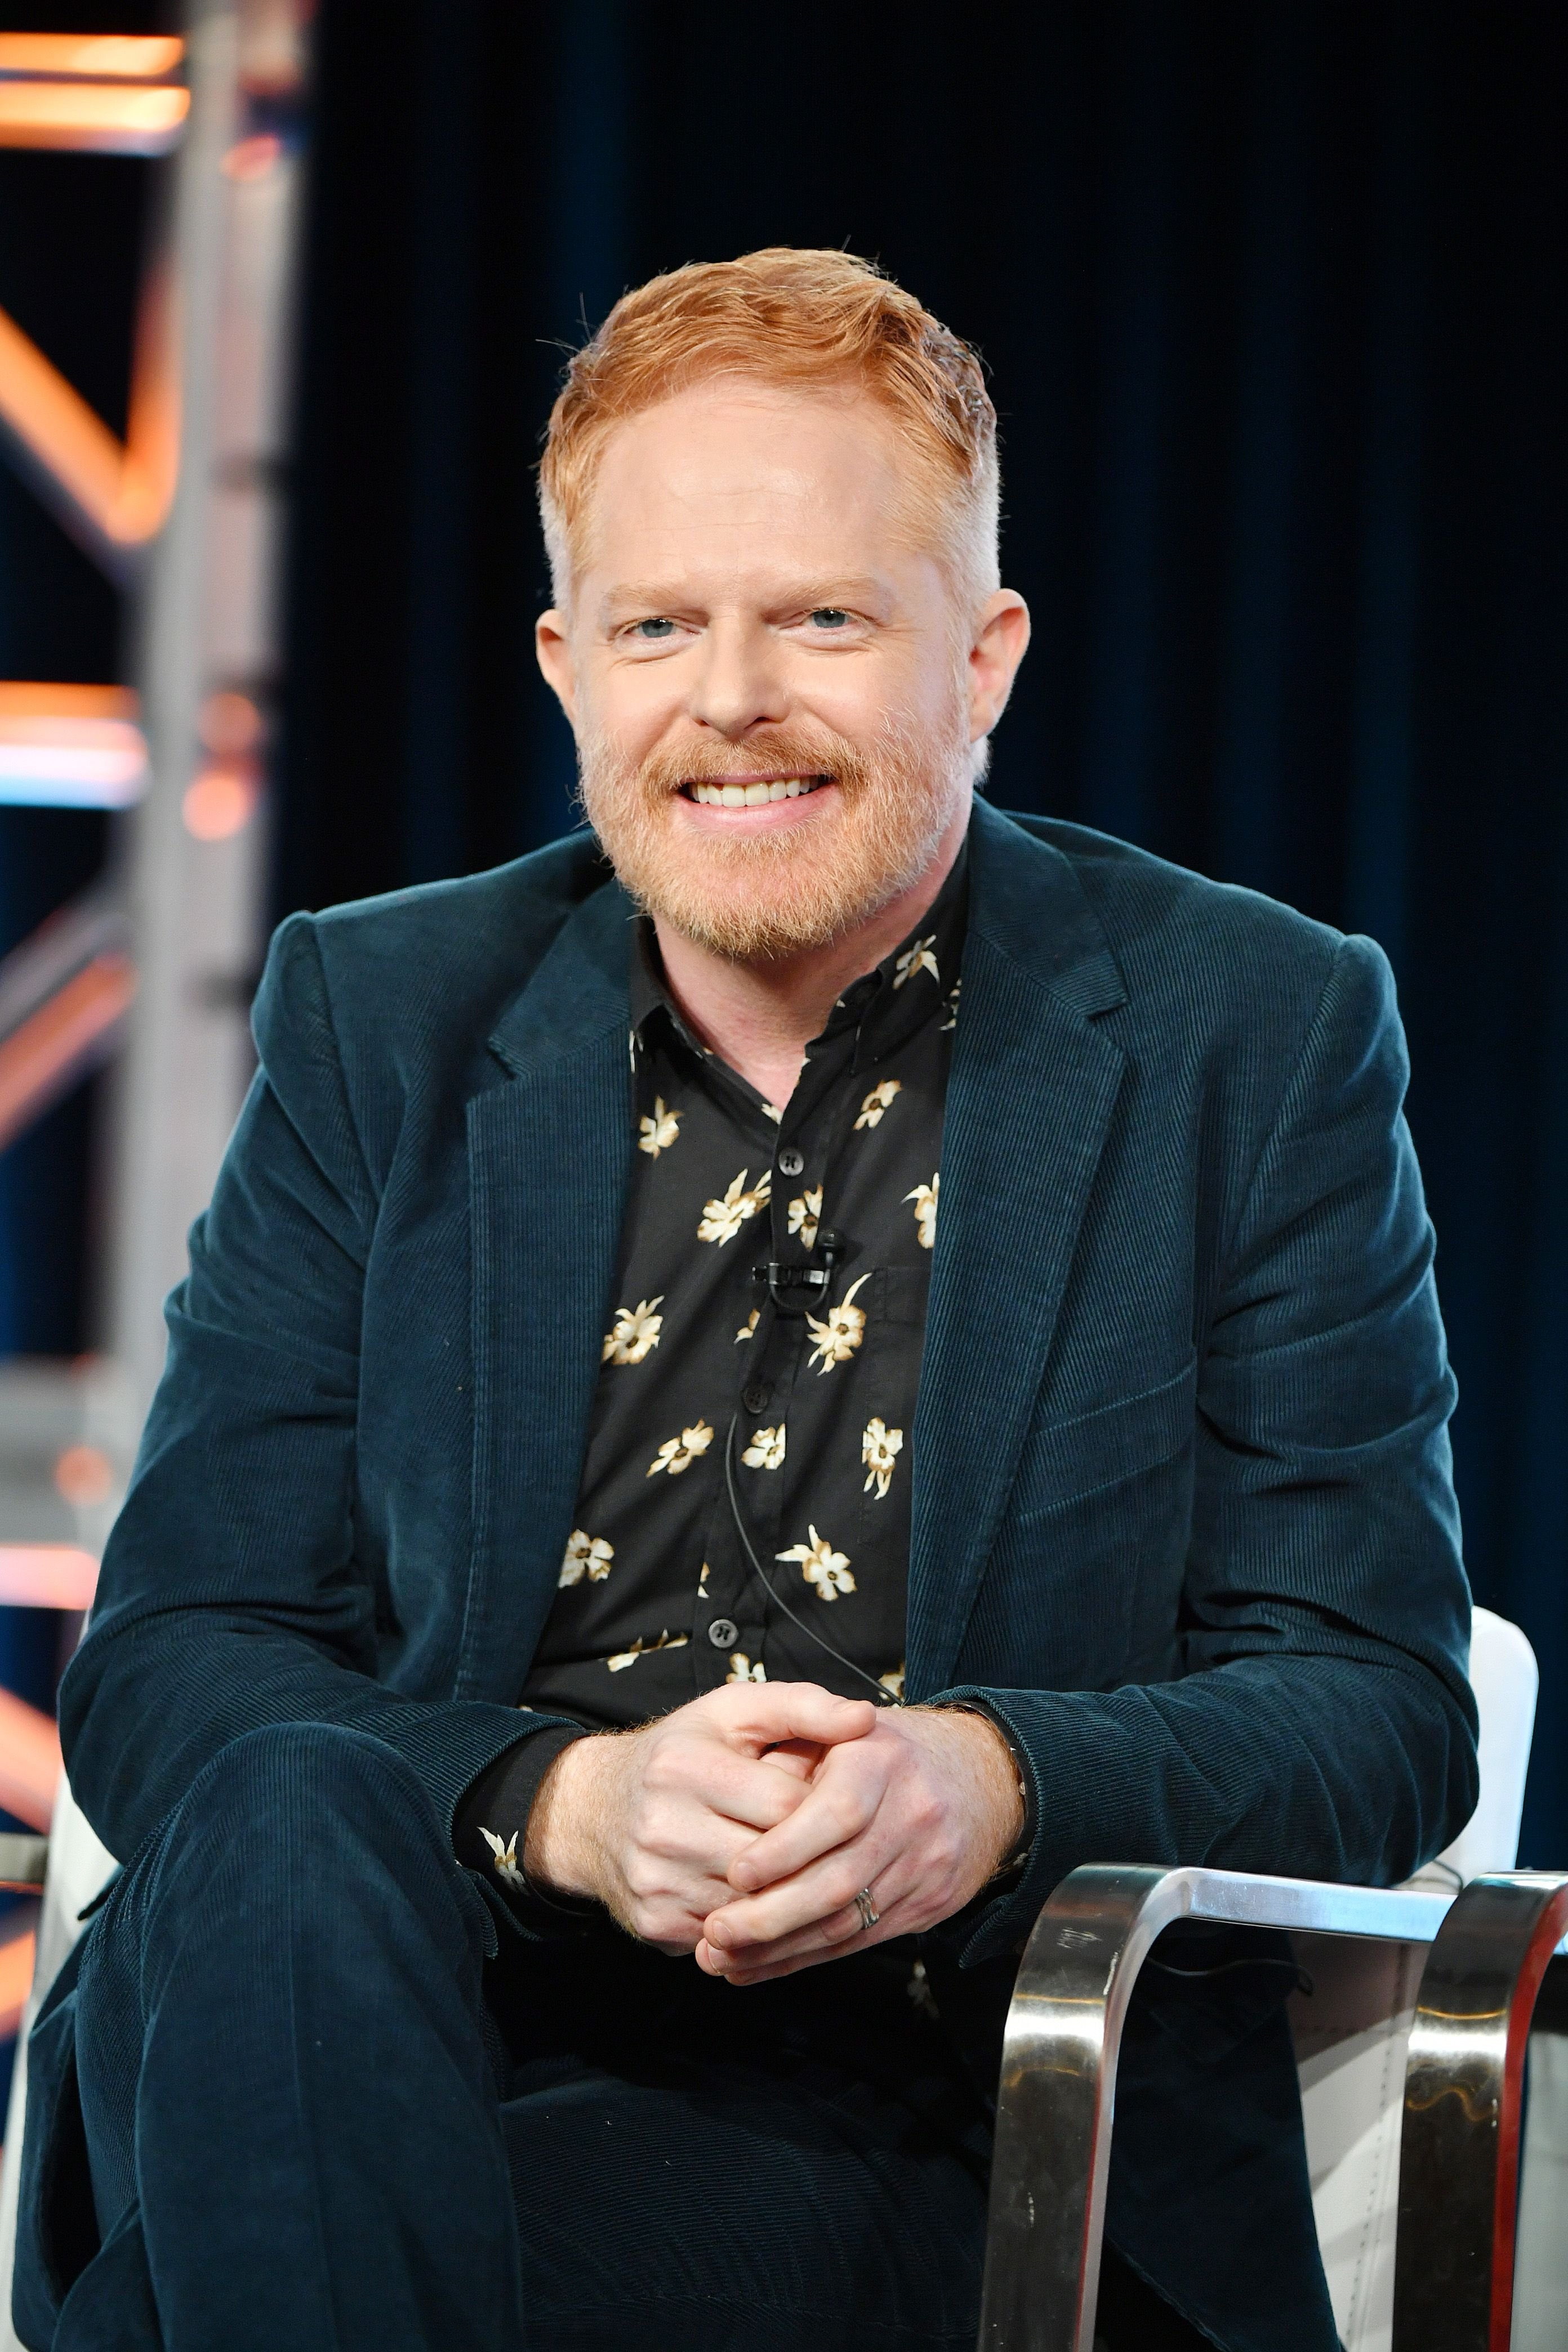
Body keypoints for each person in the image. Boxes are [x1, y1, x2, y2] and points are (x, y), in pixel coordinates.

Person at [16, 248, 1475, 2352]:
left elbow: (1373, 1700)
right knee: (291, 1797)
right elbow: (173, 1663)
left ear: (984, 658)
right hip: (399, 2009)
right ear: (562, 665)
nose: (729, 699)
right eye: (657, 627)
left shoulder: (1257, 1031)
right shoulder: (384, 1016)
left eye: (820, 618)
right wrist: (560, 1806)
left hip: (930, 2086)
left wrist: (985, 1780)